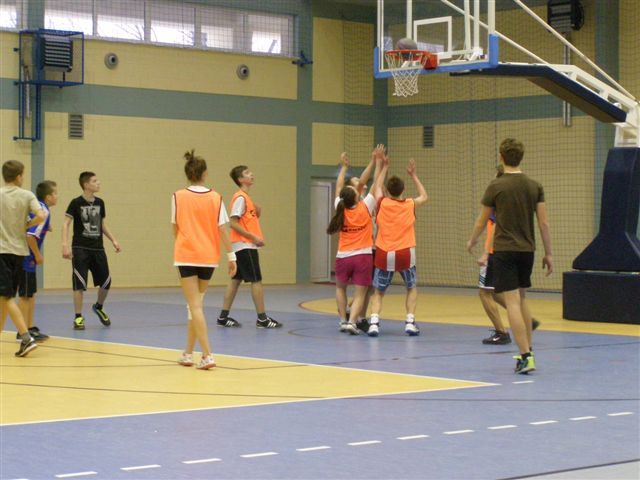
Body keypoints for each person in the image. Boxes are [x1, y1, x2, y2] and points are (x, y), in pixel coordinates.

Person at [467, 138, 553, 374]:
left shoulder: (496, 186)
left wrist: (472, 240)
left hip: (505, 250)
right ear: (521, 157)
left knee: (512, 302)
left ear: (501, 156)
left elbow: (482, 220)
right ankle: (529, 351)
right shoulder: (535, 186)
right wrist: (549, 253)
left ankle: (525, 357)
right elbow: (543, 223)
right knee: (522, 299)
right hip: (527, 250)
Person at [174, 150, 237, 370]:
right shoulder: (216, 197)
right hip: (209, 257)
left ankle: (207, 355)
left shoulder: (178, 196)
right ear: (205, 173)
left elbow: (175, 228)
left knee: (195, 306)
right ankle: (188, 353)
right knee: (195, 305)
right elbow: (223, 229)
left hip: (186, 255)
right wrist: (231, 255)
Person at [369, 153, 428, 337]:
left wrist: (384, 166)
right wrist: (414, 175)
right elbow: (424, 196)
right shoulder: (409, 204)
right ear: (403, 189)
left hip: (384, 252)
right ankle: (410, 322)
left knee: (378, 292)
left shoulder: (382, 203)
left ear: (387, 190)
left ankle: (374, 323)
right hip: (405, 253)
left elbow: (377, 186)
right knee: (411, 287)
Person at [216, 164, 281, 329]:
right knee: (256, 280)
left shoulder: (246, 198)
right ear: (240, 179)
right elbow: (233, 223)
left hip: (241, 245)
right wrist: (253, 237)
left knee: (235, 280)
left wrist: (256, 210)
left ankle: (223, 317)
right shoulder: (240, 198)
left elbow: (250, 218)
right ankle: (262, 319)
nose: (251, 174)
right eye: (247, 173)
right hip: (245, 245)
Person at [327, 148, 381, 335]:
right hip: (362, 255)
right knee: (361, 292)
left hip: (343, 256)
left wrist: (343, 168)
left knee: (340, 288)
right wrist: (377, 162)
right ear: (356, 195)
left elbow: (338, 186)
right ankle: (352, 322)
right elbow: (374, 183)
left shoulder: (340, 208)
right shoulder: (365, 206)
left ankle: (343, 320)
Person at [62, 172, 121, 330]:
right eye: (95, 181)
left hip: (98, 248)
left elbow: (102, 224)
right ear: (86, 185)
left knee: (106, 282)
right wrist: (65, 244)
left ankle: (99, 306)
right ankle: (78, 317)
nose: (98, 183)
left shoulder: (100, 202)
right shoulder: (75, 203)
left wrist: (113, 240)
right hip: (80, 248)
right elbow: (66, 223)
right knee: (79, 284)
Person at [0, 160, 45, 357]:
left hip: (1, 251)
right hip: (19, 252)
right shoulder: (27, 195)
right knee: (4, 297)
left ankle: (26, 338)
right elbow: (41, 216)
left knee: (6, 297)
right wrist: (27, 225)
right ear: (19, 176)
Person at [17, 180, 58, 342]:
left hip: (27, 257)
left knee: (30, 294)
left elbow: (28, 222)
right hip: (26, 257)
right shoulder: (44, 211)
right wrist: (38, 254)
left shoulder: (39, 208)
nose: (57, 196)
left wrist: (47, 226)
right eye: (55, 193)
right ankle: (22, 332)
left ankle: (29, 327)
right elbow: (30, 236)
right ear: (48, 197)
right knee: (25, 295)